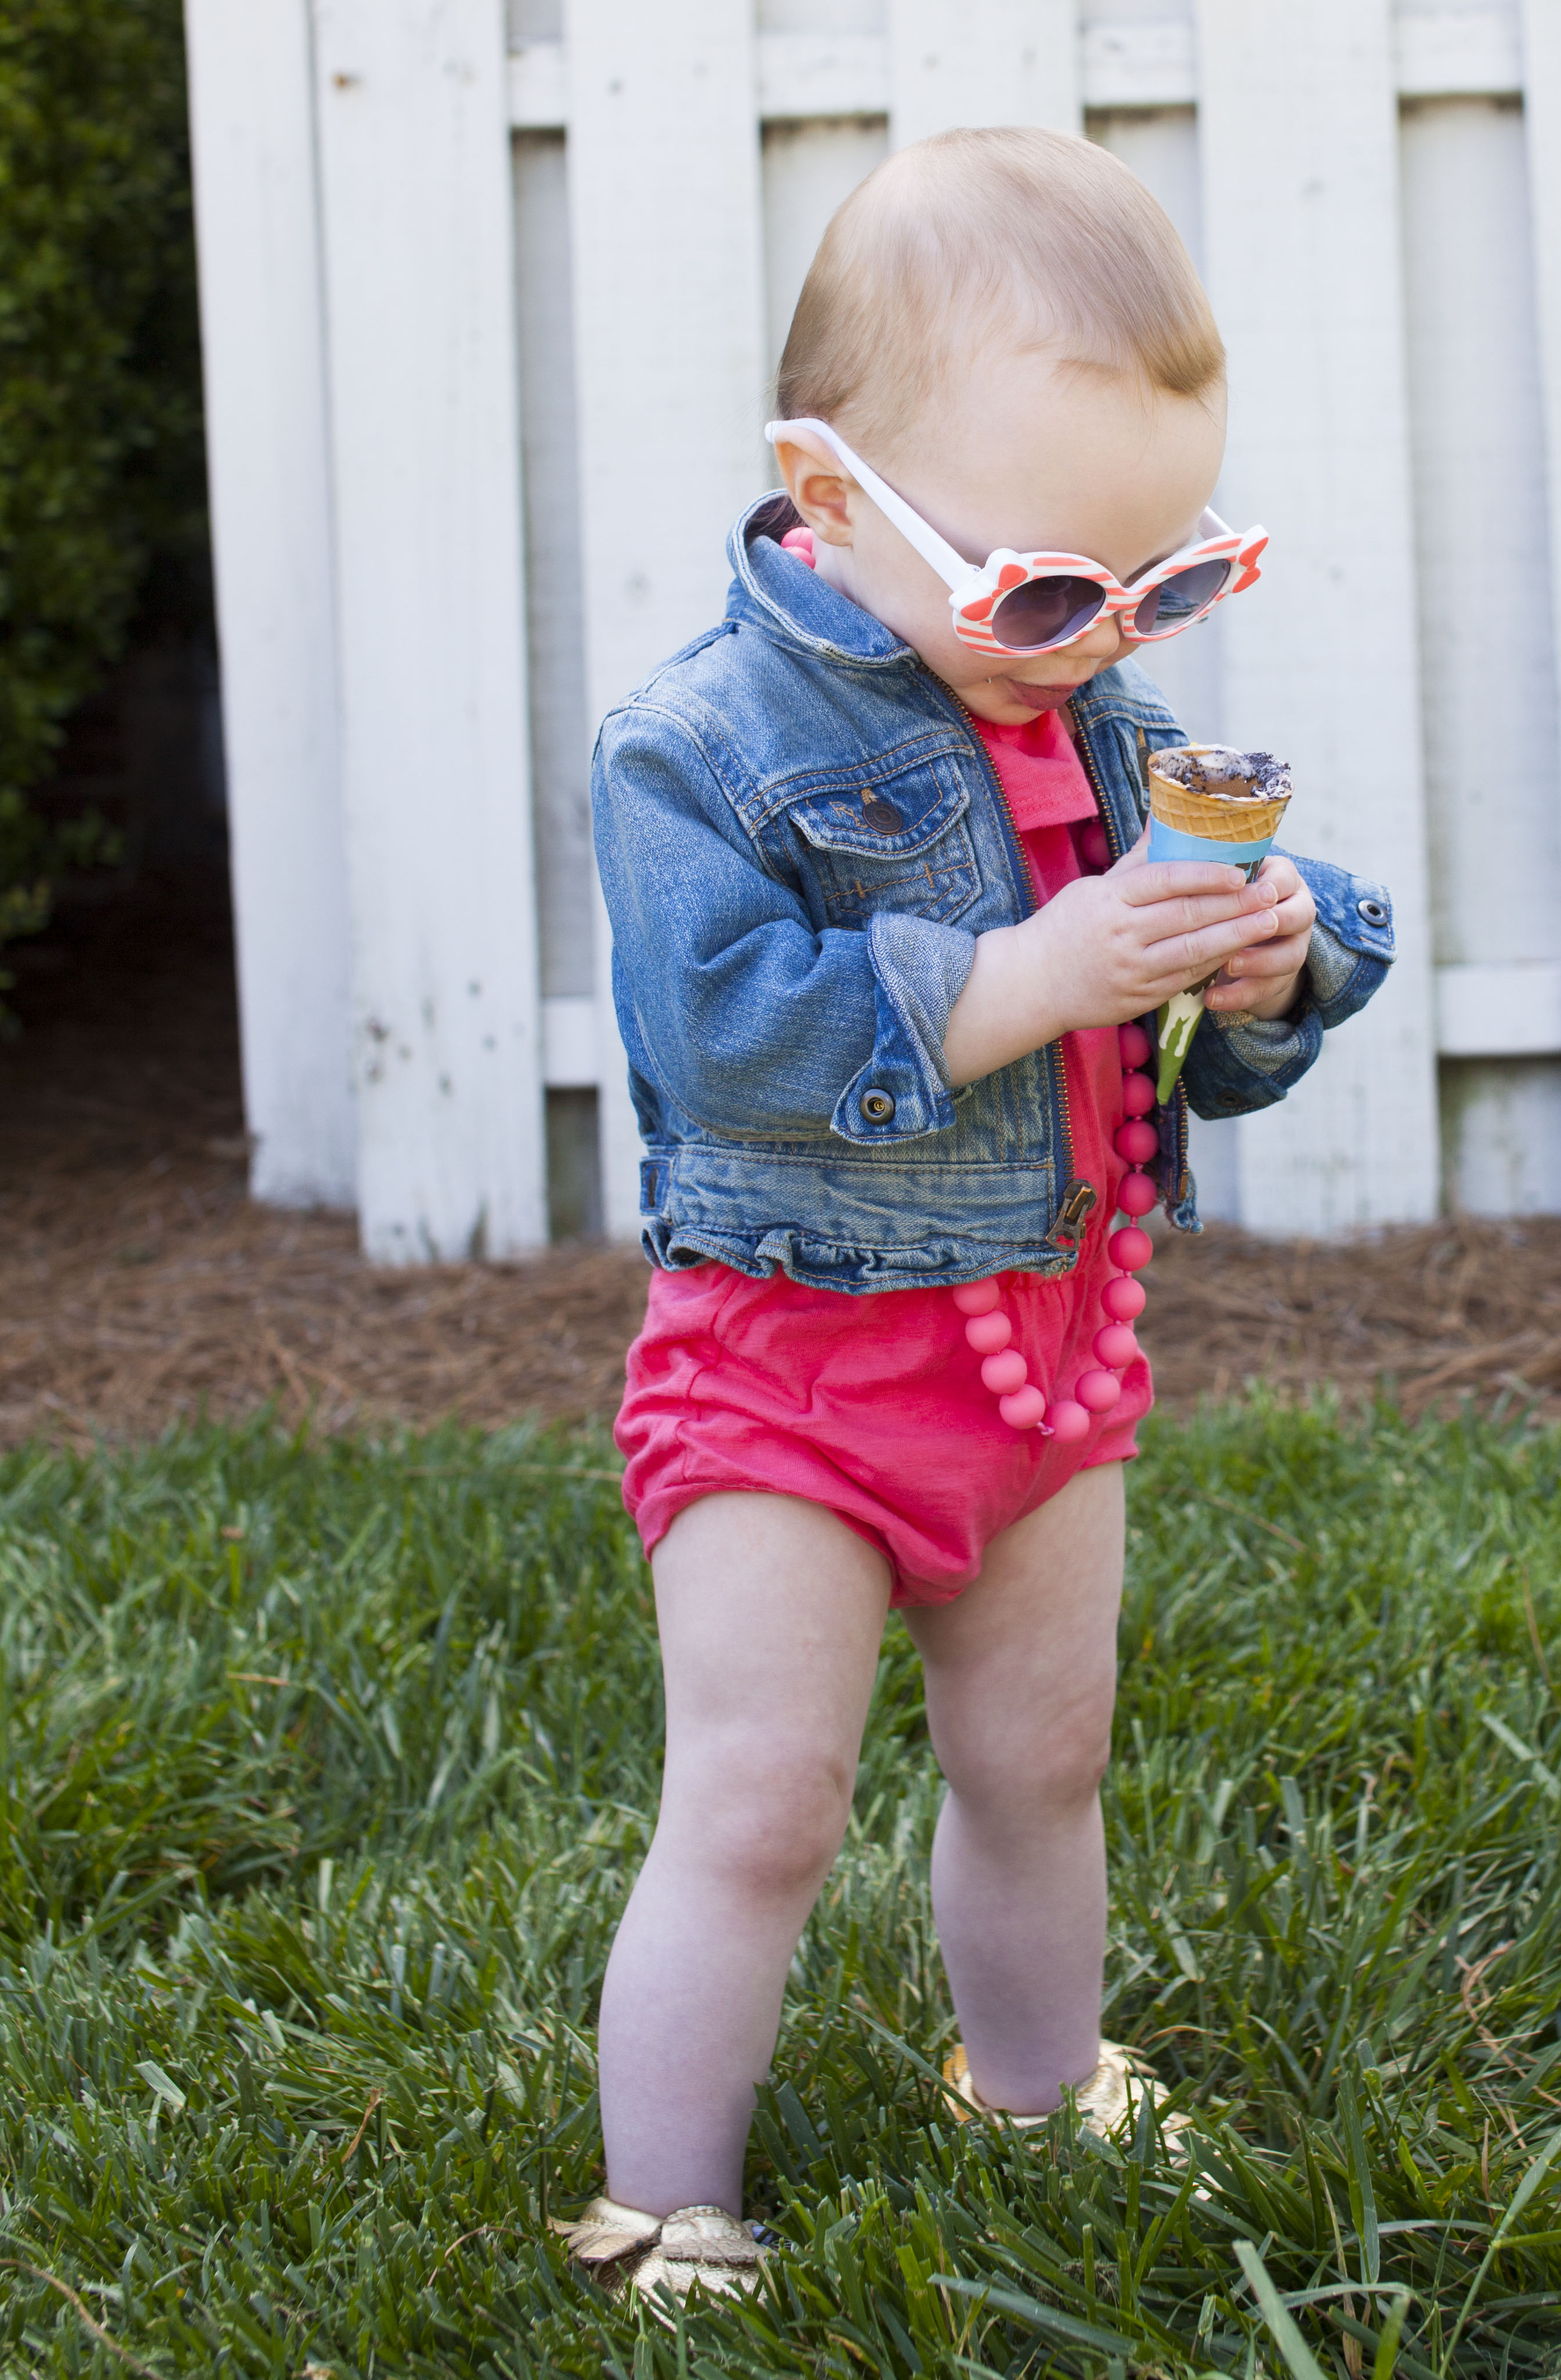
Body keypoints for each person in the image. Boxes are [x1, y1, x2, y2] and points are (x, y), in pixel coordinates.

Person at [555, 127, 1395, 2308]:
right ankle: (670, 2201)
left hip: (1048, 1352)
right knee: (765, 1798)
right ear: (829, 501)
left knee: (1045, 1758)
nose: (1100, 646)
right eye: (1042, 593)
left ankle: (1035, 2085)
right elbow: (728, 1038)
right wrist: (1032, 977)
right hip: (792, 1373)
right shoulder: (697, 751)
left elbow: (1188, 1041)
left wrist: (1272, 965)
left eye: (1166, 584)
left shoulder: (1096, 723)